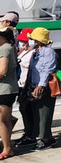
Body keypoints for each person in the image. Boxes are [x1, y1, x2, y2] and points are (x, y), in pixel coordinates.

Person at [27, 28, 58, 150]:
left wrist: (41, 85)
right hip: (35, 85)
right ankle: (48, 137)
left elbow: (47, 69)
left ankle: (44, 140)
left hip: (44, 87)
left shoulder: (48, 52)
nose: (30, 41)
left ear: (38, 40)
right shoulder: (35, 52)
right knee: (37, 113)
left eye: (32, 39)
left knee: (44, 113)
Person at [13, 29, 36, 149]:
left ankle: (31, 135)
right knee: (24, 110)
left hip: (29, 85)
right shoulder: (24, 51)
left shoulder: (34, 52)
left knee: (29, 111)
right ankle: (28, 133)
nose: (22, 42)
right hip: (21, 85)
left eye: (24, 40)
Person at [0, 27, 19, 159]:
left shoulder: (4, 48)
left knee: (2, 121)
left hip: (4, 90)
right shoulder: (10, 47)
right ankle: (7, 147)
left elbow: (2, 70)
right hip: (9, 88)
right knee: (5, 120)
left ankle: (7, 149)